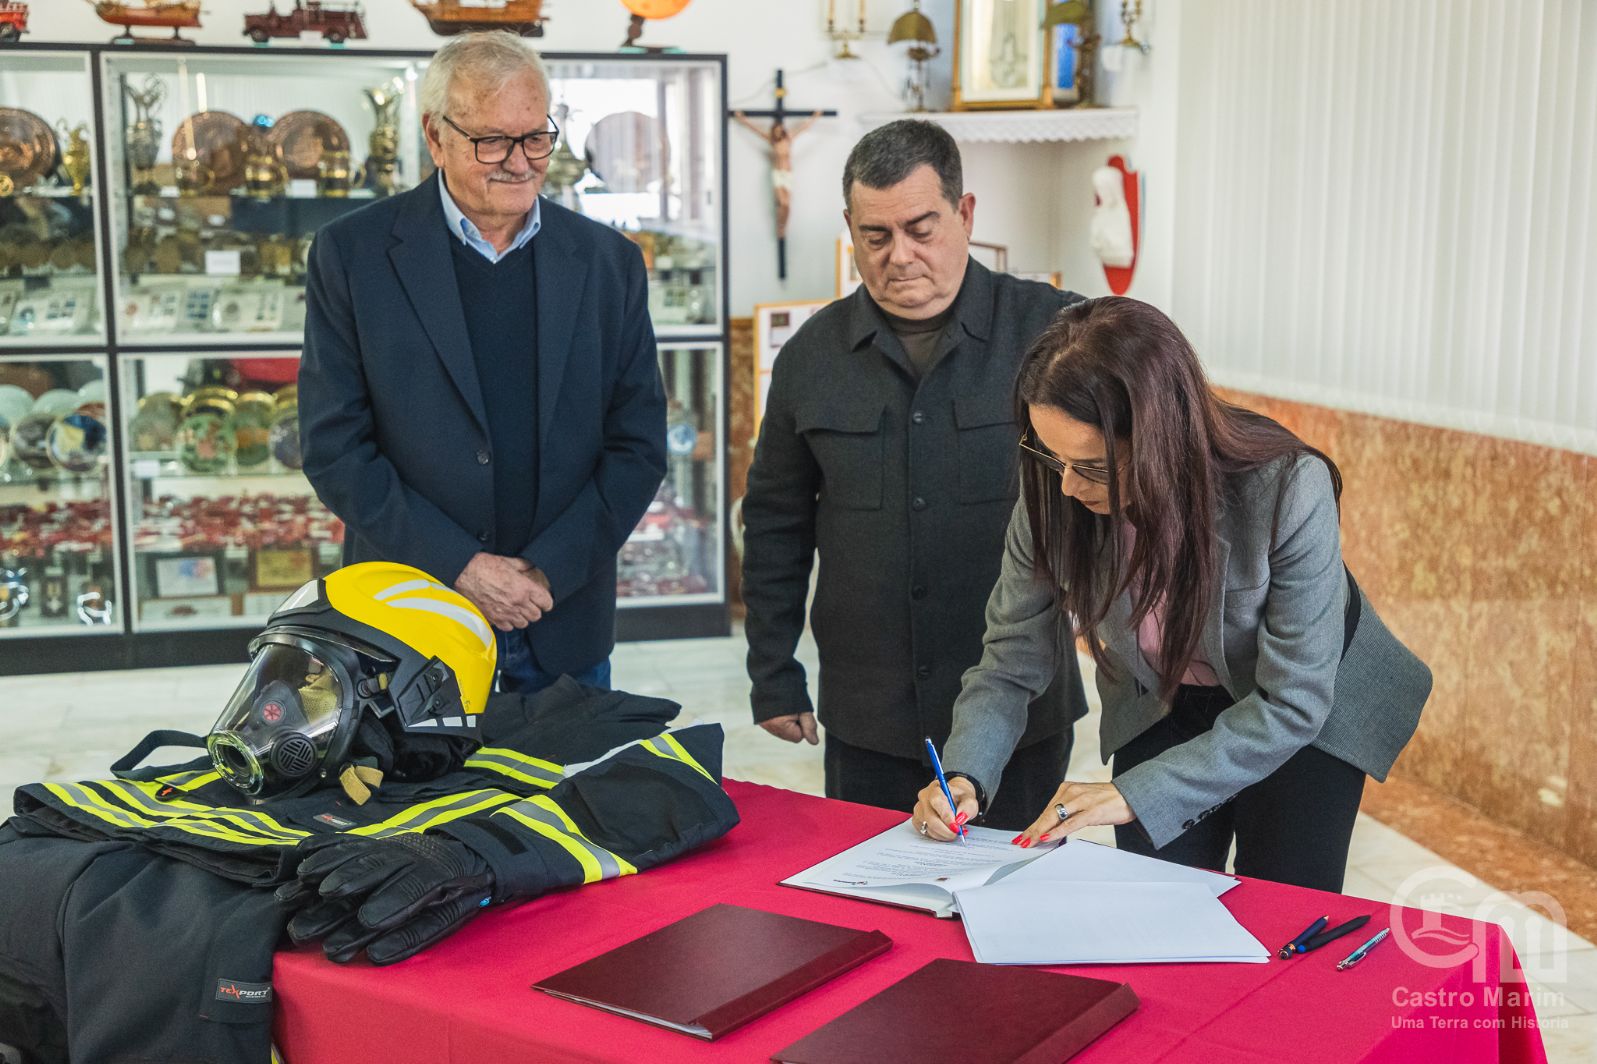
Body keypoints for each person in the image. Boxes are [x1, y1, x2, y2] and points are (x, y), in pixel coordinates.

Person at [912, 296, 1432, 891]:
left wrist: (1131, 793)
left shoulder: (1287, 488)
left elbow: (1293, 703)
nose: (1068, 485)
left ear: (1163, 439)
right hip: (1162, 696)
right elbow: (1009, 661)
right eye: (1050, 456)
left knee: (1282, 902)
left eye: (1095, 467)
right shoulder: (1055, 497)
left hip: (1302, 707)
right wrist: (965, 776)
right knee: (1152, 896)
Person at [742, 119, 1090, 829]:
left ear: (964, 214)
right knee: (874, 908)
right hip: (871, 712)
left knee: (1004, 913)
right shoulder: (812, 355)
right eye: (874, 235)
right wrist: (772, 670)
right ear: (849, 227)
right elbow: (775, 518)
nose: (898, 256)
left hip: (1019, 706)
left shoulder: (1057, 334)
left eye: (920, 228)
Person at [299, 31, 667, 695]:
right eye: (492, 140)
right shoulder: (351, 256)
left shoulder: (608, 264)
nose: (520, 162)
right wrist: (461, 567)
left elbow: (637, 446)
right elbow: (334, 450)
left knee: (559, 800)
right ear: (434, 136)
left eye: (535, 138)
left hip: (559, 619)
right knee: (412, 803)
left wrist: (544, 571)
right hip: (406, 622)